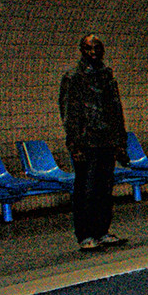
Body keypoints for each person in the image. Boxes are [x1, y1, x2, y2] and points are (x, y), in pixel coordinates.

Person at [59, 34, 128, 250]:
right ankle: (85, 234)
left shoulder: (107, 76)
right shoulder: (74, 77)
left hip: (106, 140)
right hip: (86, 142)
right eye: (89, 49)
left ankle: (102, 231)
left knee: (105, 190)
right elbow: (70, 113)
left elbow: (116, 109)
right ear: (82, 50)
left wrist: (119, 141)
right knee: (85, 190)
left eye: (97, 48)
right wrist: (75, 144)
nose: (94, 53)